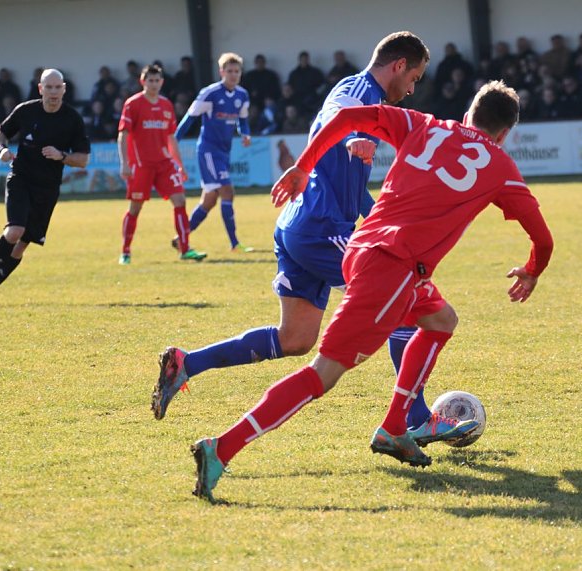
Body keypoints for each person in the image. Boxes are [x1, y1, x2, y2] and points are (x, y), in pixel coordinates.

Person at [186, 80, 554, 503]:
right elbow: (543, 240)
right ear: (506, 133)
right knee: (322, 374)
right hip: (392, 270)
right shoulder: (501, 166)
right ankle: (221, 448)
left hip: (363, 248)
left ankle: (395, 426)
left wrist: (304, 165)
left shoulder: (424, 124)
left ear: (469, 113)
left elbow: (345, 118)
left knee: (441, 320)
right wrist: (530, 271)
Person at [152, 32, 464, 457]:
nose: (412, 89)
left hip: (304, 226)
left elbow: (355, 196)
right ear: (397, 66)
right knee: (408, 306)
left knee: (296, 337)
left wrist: (385, 218)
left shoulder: (366, 100)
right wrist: (354, 136)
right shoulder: (359, 92)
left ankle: (186, 363)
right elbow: (339, 112)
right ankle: (413, 418)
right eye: (414, 77)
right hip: (320, 227)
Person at [0, 69, 90, 307]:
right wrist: (1, 150)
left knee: (21, 246)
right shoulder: (26, 110)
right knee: (14, 231)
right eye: (49, 87)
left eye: (58, 87)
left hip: (47, 188)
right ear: (40, 88)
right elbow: (0, 133)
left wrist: (61, 155)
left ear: (64, 89)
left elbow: (83, 159)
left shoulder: (72, 118)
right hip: (21, 178)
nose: (54, 92)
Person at [117, 64, 205, 264]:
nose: (154, 84)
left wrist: (179, 165)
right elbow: (123, 135)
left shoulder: (166, 105)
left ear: (162, 82)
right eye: (150, 81)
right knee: (135, 208)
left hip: (164, 164)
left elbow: (171, 138)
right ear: (143, 82)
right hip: (141, 165)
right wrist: (125, 163)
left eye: (157, 81)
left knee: (180, 200)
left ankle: (185, 249)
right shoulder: (133, 104)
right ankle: (126, 251)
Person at [173, 52, 253, 253]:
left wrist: (245, 133)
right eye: (229, 71)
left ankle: (181, 238)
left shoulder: (242, 95)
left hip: (224, 151)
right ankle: (235, 243)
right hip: (209, 150)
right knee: (228, 191)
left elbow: (242, 120)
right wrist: (174, 140)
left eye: (237, 71)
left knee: (208, 201)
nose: (233, 75)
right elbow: (190, 118)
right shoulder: (210, 94)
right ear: (221, 72)